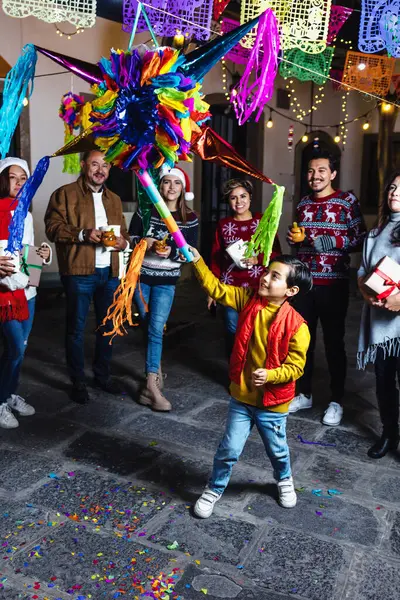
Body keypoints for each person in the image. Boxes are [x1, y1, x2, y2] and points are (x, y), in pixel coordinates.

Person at [188, 247, 312, 516]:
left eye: (275, 276)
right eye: (267, 272)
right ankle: (214, 488)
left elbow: (296, 367)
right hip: (242, 397)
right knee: (229, 449)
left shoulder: (298, 326)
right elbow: (218, 289)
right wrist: (197, 260)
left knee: (277, 451)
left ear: (290, 291)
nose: (265, 278)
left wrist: (271, 375)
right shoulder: (247, 299)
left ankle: (284, 479)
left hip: (273, 403)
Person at [45, 150, 130, 404]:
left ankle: (102, 377)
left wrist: (123, 243)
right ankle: (78, 381)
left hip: (110, 272)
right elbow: (52, 227)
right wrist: (82, 234)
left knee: (108, 328)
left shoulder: (114, 199)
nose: (100, 170)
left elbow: (122, 233)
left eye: (105, 165)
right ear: (83, 165)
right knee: (76, 330)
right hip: (79, 272)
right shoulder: (64, 193)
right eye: (95, 164)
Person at [287, 151, 366, 426]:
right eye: (310, 171)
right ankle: (304, 393)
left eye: (321, 170)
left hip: (333, 284)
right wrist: (296, 239)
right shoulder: (304, 204)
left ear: (333, 174)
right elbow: (300, 242)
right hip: (305, 284)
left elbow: (359, 238)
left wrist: (320, 239)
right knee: (302, 343)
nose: (315, 176)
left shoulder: (347, 201)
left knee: (333, 343)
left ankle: (336, 401)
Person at [129, 165, 199, 411]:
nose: (171, 187)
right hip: (141, 278)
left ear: (183, 189)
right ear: (160, 186)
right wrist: (144, 243)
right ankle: (154, 377)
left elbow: (191, 255)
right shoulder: (145, 213)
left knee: (157, 329)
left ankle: (150, 386)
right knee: (149, 326)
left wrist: (171, 252)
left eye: (176, 183)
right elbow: (131, 241)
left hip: (166, 281)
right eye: (167, 182)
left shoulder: (190, 219)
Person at [0, 157, 51, 428]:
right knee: (15, 348)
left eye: (23, 179)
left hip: (27, 293)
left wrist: (41, 256)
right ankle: (0, 400)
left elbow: (27, 253)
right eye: (12, 177)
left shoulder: (26, 214)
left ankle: (8, 394)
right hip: (4, 295)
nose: (18, 183)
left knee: (20, 348)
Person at [209, 178, 281, 357]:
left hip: (258, 287)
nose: (239, 201)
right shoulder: (223, 225)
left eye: (243, 196)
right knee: (232, 330)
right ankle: (235, 374)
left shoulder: (263, 222)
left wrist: (259, 258)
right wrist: (211, 290)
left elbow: (276, 253)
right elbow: (216, 258)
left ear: (250, 197)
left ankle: (255, 374)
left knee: (258, 331)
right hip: (230, 287)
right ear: (228, 200)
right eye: (233, 198)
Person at [358, 171, 400, 459]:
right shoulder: (375, 233)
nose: (395, 192)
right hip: (381, 324)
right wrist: (367, 293)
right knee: (384, 381)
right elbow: (362, 271)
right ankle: (389, 433)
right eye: (393, 188)